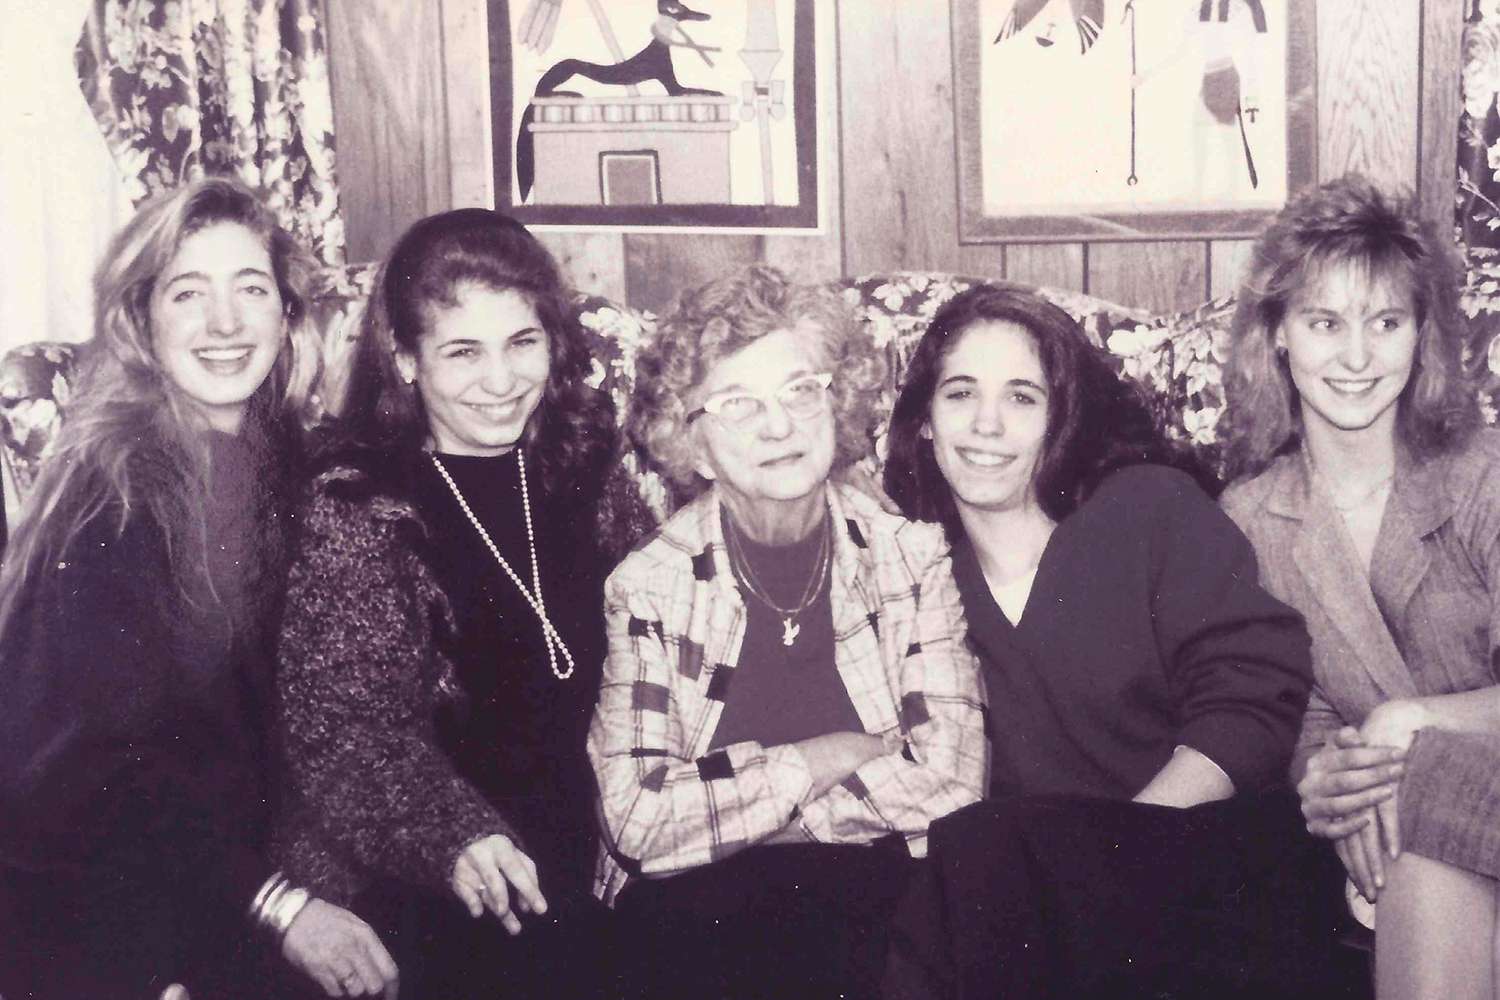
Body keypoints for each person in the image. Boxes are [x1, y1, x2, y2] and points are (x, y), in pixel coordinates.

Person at [0, 177, 398, 999]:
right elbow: (85, 781)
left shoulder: (275, 454)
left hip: (223, 867)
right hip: (97, 895)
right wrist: (279, 907)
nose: (226, 324)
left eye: (251, 289)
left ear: (287, 316)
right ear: (142, 321)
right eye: (190, 292)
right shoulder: (113, 496)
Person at [880, 283, 1320, 999]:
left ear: (1062, 417)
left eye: (1022, 397)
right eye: (960, 393)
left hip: (1202, 863)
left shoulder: (1148, 509)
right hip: (1034, 911)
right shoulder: (916, 578)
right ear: (924, 421)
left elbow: (1252, 696)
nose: (987, 424)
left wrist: (1125, 847)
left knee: (986, 850)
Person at [274, 207, 653, 999]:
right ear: (406, 360)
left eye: (523, 343)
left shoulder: (584, 461)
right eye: (462, 352)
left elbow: (665, 612)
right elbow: (349, 737)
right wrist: (456, 836)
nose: (501, 380)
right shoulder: (357, 504)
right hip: (429, 860)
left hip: (592, 831)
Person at [590, 264, 988, 999]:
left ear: (838, 409)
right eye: (737, 404)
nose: (779, 425)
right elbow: (637, 819)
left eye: (802, 390)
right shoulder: (648, 585)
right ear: (694, 444)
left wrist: (744, 816)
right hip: (695, 925)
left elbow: (953, 787)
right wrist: (819, 759)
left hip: (874, 905)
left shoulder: (910, 555)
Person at [1220, 174, 1500, 1000]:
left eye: (1386, 323)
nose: (1355, 358)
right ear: (1277, 334)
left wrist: (1409, 723)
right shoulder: (1249, 520)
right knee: (1416, 812)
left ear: (1422, 337)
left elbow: (1395, 734)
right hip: (1410, 841)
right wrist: (1333, 789)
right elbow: (1292, 718)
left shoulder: (1482, 479)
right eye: (1324, 322)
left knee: (1425, 779)